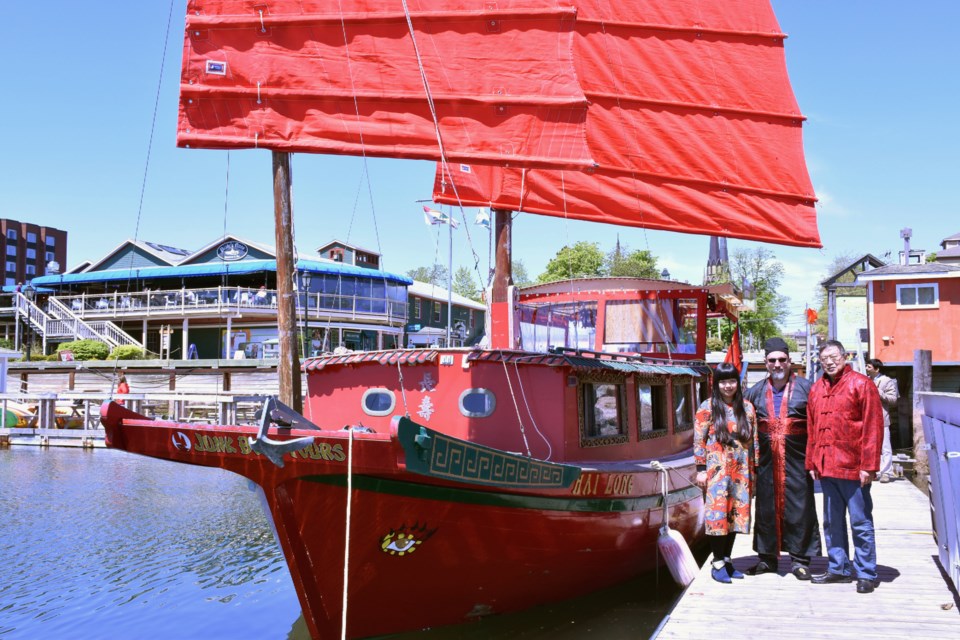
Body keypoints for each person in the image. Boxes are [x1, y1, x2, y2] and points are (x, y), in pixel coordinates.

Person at [807, 340, 884, 594]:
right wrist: (812, 462)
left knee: (860, 523)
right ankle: (838, 568)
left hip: (854, 467)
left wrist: (869, 466)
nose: (829, 361)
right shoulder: (816, 389)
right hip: (827, 467)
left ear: (844, 356)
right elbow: (811, 429)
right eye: (824, 358)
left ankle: (866, 572)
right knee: (832, 522)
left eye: (833, 356)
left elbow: (874, 427)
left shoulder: (862, 384)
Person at [744, 337, 821, 580]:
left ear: (790, 361)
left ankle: (800, 560)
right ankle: (767, 559)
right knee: (766, 508)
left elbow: (819, 425)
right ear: (765, 363)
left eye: (782, 360)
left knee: (800, 507)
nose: (777, 364)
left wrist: (816, 460)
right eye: (772, 360)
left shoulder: (808, 389)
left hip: (798, 460)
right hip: (766, 462)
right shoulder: (753, 393)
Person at [694, 362, 758, 583]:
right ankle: (717, 561)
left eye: (732, 381)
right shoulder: (707, 407)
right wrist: (701, 468)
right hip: (717, 471)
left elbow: (754, 442)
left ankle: (728, 560)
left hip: (741, 470)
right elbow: (698, 440)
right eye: (723, 381)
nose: (728, 386)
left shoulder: (747, 408)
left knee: (735, 515)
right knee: (718, 514)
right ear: (716, 384)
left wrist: (755, 469)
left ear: (737, 383)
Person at [865, 358, 899, 483]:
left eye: (868, 366)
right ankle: (875, 471)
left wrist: (878, 391)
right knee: (871, 447)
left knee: (885, 447)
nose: (866, 368)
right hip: (868, 419)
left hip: (882, 419)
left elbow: (893, 399)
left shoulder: (887, 381)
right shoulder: (866, 380)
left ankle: (886, 472)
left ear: (876, 368)